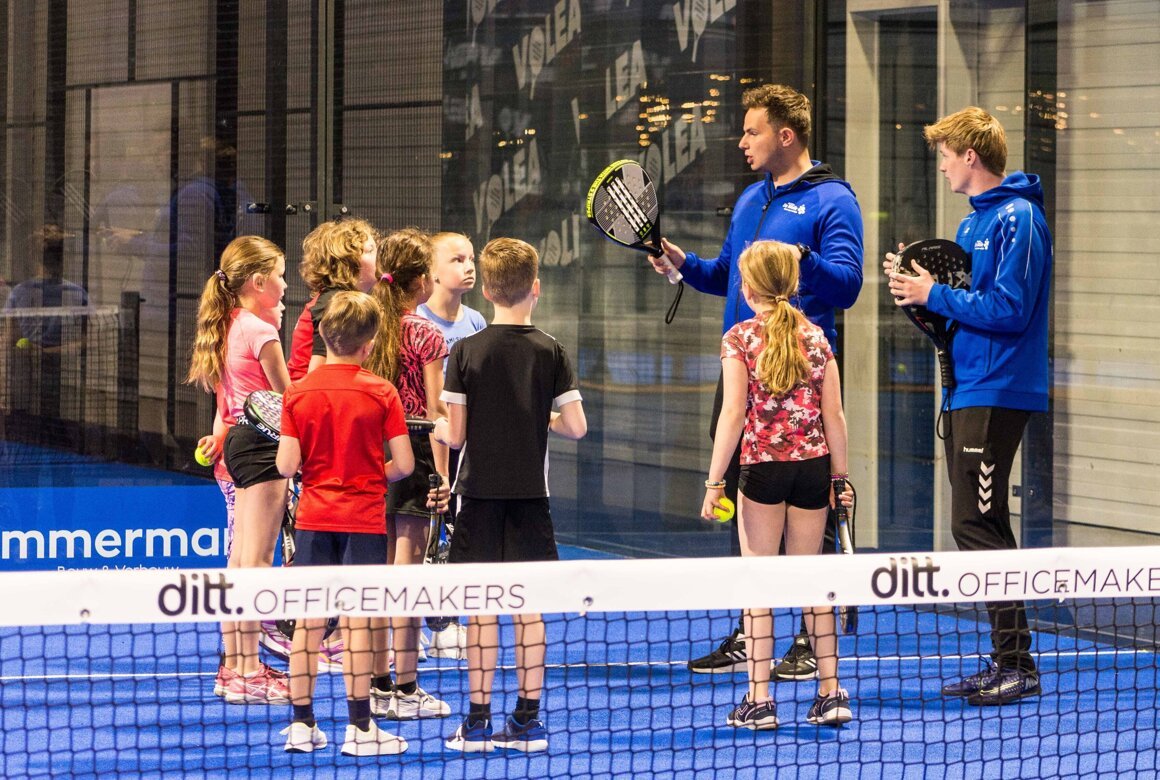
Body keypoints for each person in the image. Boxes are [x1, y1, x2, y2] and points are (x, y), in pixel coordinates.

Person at [651, 83, 864, 679]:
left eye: (753, 131)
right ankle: (755, 634)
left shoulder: (833, 202)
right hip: (744, 373)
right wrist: (680, 262)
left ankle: (806, 641)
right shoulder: (751, 199)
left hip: (799, 383)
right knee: (751, 510)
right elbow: (727, 276)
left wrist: (797, 258)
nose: (743, 141)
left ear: (785, 136)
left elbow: (847, 285)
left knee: (808, 512)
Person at [885, 106, 1050, 706]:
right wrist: (915, 291)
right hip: (965, 388)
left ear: (970, 156)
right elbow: (954, 321)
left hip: (1002, 389)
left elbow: (1010, 309)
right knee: (987, 523)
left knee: (972, 523)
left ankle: (1020, 666)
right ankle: (1009, 659)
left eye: (946, 154)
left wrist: (937, 292)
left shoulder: (1020, 219)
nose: (943, 165)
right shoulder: (969, 226)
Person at [433, 237, 587, 753]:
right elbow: (577, 427)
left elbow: (455, 437)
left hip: (476, 499)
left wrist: (436, 422)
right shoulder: (552, 350)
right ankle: (526, 721)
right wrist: (536, 414)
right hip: (530, 502)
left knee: (480, 611)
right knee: (530, 611)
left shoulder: (464, 351)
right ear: (535, 289)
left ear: (490, 289)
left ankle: (476, 722)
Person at [700, 240, 852, 729]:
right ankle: (830, 694)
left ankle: (760, 701)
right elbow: (836, 416)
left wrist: (713, 481)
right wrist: (840, 479)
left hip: (762, 472)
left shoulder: (739, 338)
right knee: (814, 584)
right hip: (812, 471)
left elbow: (731, 415)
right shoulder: (817, 337)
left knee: (759, 586)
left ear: (747, 289)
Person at [275, 290, 415, 755]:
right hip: (365, 522)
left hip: (315, 520)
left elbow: (286, 466)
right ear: (370, 343)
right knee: (357, 624)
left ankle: (301, 724)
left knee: (309, 623)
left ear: (325, 337)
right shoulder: (381, 391)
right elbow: (406, 465)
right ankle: (360, 730)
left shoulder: (297, 393)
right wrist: (373, 476)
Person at [186, 235, 291, 704]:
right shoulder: (258, 331)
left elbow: (225, 410)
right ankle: (246, 670)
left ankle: (236, 667)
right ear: (259, 281)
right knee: (254, 564)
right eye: (282, 276)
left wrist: (220, 438)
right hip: (264, 455)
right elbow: (290, 401)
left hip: (231, 457)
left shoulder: (226, 326)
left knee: (237, 561)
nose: (287, 286)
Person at [363, 227, 451, 722]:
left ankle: (377, 685)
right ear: (421, 283)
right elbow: (437, 410)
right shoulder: (427, 334)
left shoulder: (366, 323)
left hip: (370, 453)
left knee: (377, 575)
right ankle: (407, 686)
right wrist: (441, 477)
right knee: (408, 577)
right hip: (412, 450)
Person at [416, 231, 487, 659]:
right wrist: (439, 466)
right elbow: (431, 405)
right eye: (457, 259)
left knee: (459, 539)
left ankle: (446, 625)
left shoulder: (476, 323)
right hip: (426, 447)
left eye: (471, 258)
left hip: (467, 449)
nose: (468, 266)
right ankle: (418, 628)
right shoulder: (417, 323)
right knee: (424, 540)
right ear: (432, 273)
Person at [286, 217, 379, 380]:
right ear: (349, 261)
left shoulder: (335, 298)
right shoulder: (334, 303)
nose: (378, 258)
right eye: (370, 251)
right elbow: (317, 376)